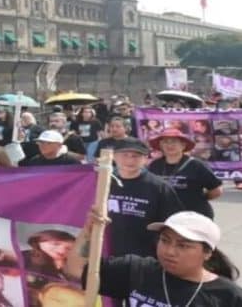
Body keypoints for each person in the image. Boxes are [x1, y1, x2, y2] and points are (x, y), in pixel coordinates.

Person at [66, 211, 242, 306]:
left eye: (183, 245)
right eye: (165, 241)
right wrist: (89, 232)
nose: (170, 251)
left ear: (207, 252)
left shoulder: (227, 296)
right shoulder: (136, 269)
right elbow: (75, 270)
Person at [107, 137, 183, 257]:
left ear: (146, 159)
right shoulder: (102, 183)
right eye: (125, 155)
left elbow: (173, 224)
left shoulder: (160, 187)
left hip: (145, 256)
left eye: (136, 156)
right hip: (106, 253)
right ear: (114, 156)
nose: (130, 160)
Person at [148, 129, 223, 219]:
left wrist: (200, 199)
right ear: (160, 145)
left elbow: (216, 190)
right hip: (166, 217)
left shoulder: (196, 165)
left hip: (195, 215)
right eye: (165, 142)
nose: (170, 145)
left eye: (174, 142)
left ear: (183, 145)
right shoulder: (154, 165)